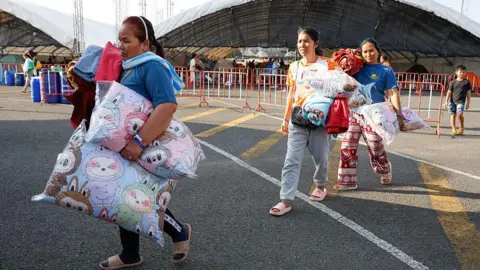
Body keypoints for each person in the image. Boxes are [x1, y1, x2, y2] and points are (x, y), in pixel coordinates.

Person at [100, 16, 191, 269]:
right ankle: (130, 254)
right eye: (119, 40)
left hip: (142, 147)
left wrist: (139, 142)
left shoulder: (152, 66)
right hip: (124, 146)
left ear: (144, 43)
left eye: (126, 40)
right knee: (123, 198)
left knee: (141, 199)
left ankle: (179, 232)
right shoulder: (127, 66)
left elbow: (167, 106)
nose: (120, 45)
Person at [269, 27, 339, 216]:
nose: (302, 45)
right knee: (291, 161)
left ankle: (321, 186)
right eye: (300, 41)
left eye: (306, 41)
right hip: (298, 119)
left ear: (316, 43)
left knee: (321, 160)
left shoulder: (328, 65)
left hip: (320, 122)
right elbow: (291, 94)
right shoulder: (294, 67)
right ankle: (286, 200)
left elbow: (341, 87)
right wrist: (285, 119)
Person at [335, 38, 404, 191]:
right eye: (365, 51)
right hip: (354, 113)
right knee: (347, 146)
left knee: (375, 145)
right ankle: (347, 180)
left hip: (374, 114)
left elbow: (392, 92)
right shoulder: (356, 68)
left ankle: (385, 169)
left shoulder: (385, 70)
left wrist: (399, 115)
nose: (368, 54)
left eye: (371, 50)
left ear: (378, 51)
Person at [443, 65, 472, 135]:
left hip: (461, 101)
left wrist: (468, 103)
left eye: (464, 72)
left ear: (465, 73)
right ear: (456, 72)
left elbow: (468, 93)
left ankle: (461, 126)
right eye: (460, 72)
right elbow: (449, 92)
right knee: (453, 115)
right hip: (452, 101)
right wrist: (446, 102)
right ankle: (453, 129)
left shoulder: (466, 82)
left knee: (459, 114)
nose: (462, 73)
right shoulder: (452, 82)